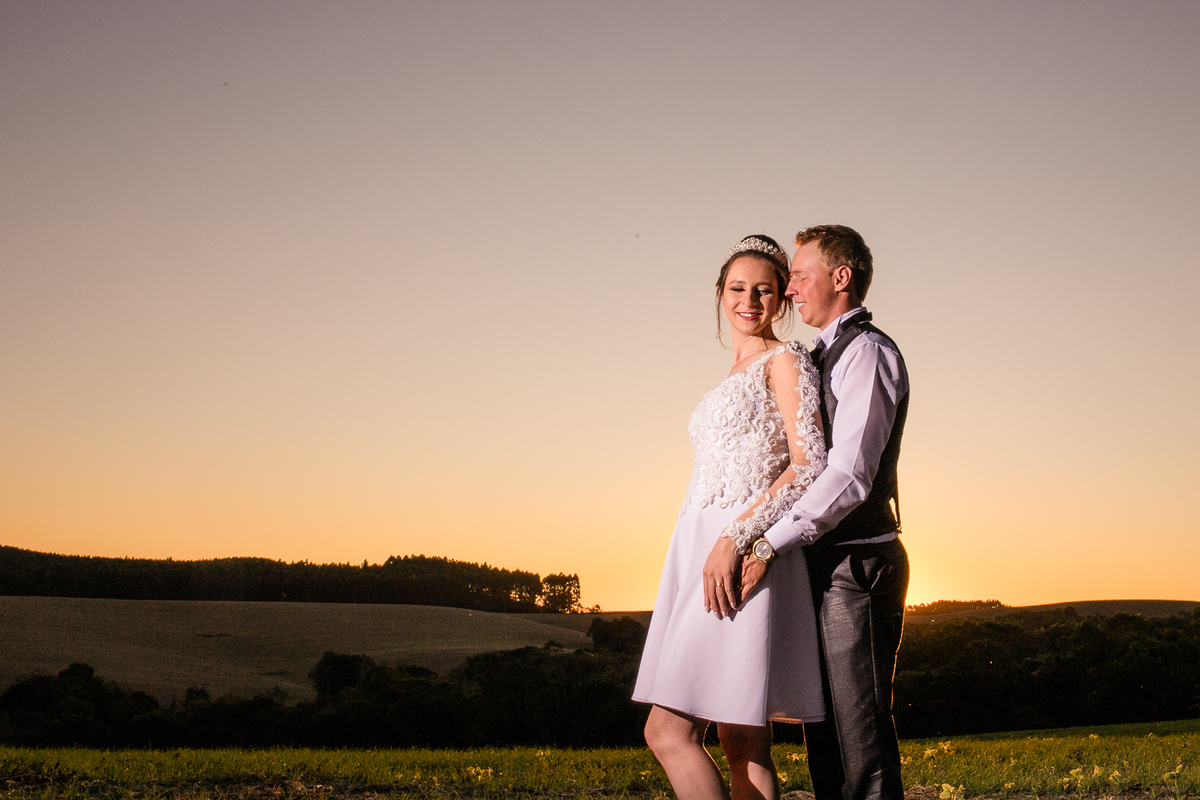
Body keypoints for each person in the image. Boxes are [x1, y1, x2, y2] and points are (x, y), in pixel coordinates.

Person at [633, 234, 829, 800]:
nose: (749, 300)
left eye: (764, 290)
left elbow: (809, 465)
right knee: (741, 739)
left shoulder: (786, 359)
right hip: (696, 549)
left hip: (740, 552)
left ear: (782, 298)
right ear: (720, 293)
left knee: (667, 732)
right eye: (738, 288)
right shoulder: (732, 372)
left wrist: (737, 539)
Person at [728, 225, 911, 800]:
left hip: (858, 567)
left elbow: (849, 477)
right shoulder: (815, 356)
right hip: (822, 565)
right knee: (826, 735)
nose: (789, 290)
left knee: (861, 737)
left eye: (800, 276)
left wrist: (767, 542)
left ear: (841, 277)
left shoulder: (868, 354)